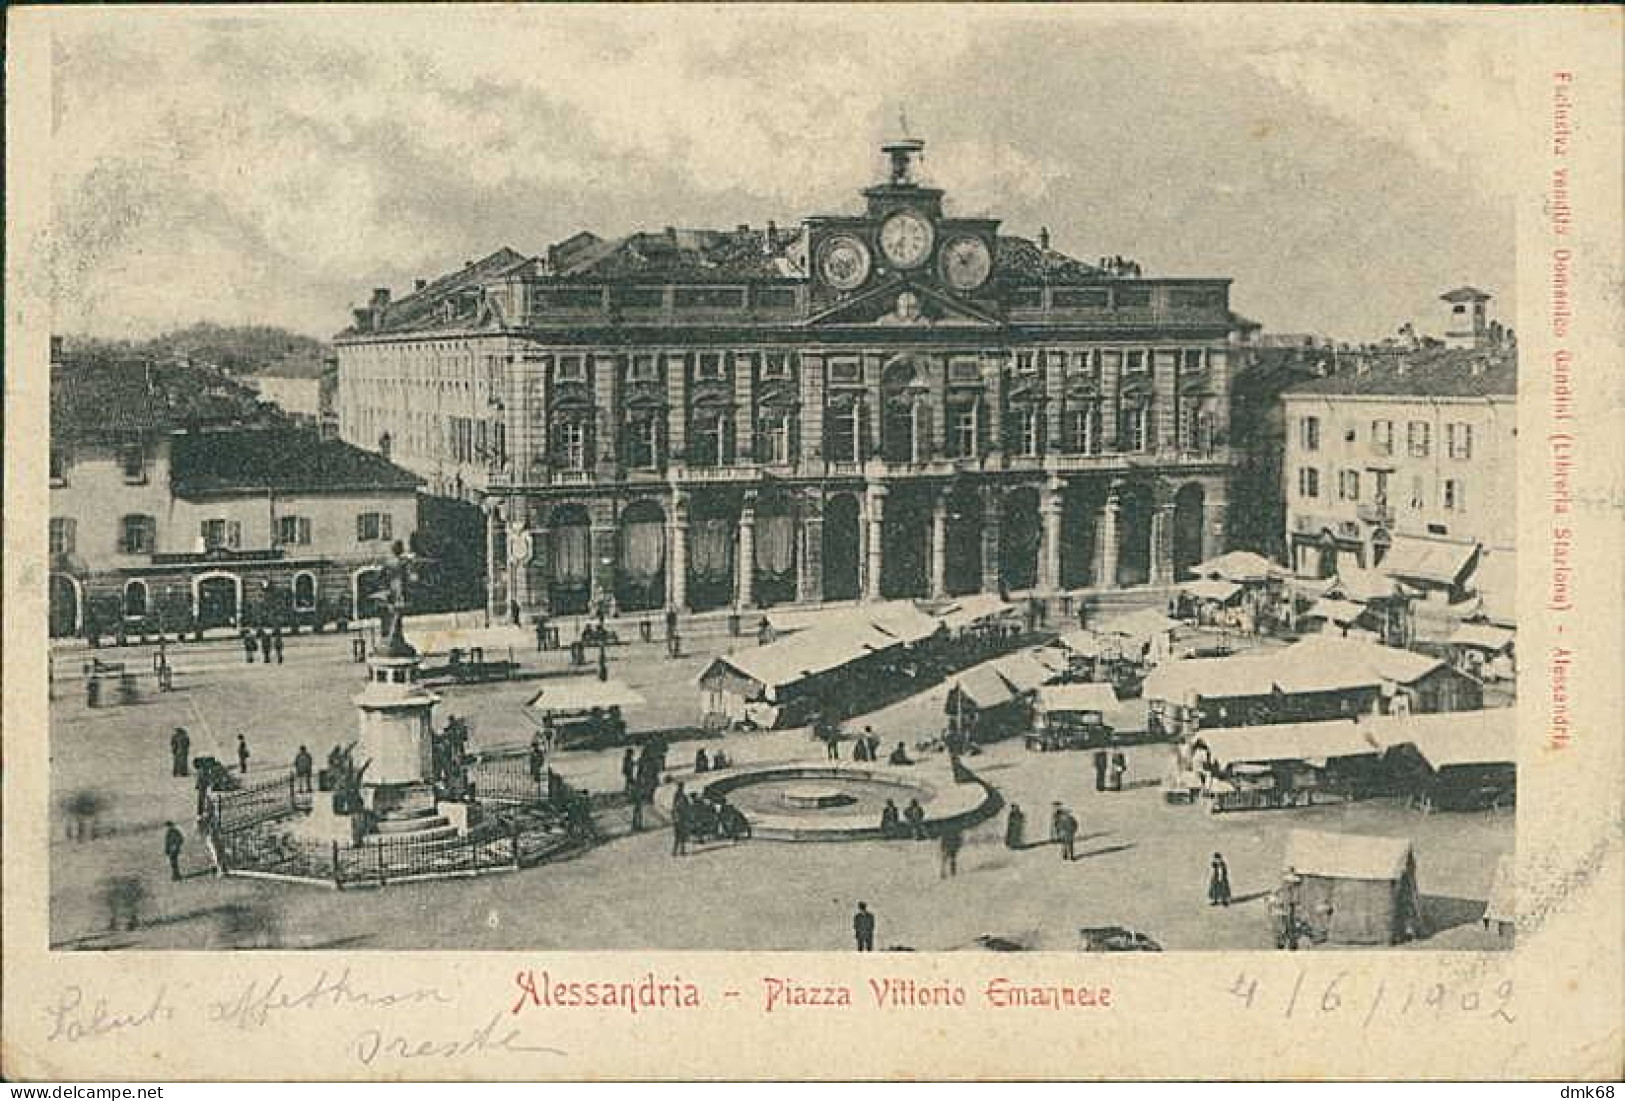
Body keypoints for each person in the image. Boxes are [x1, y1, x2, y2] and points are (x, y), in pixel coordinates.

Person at [671, 783, 691, 857]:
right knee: (680, 836)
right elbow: (686, 807)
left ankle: (678, 851)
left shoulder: (679, 796)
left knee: (680, 836)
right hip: (680, 820)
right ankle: (677, 851)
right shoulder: (680, 796)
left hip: (679, 820)